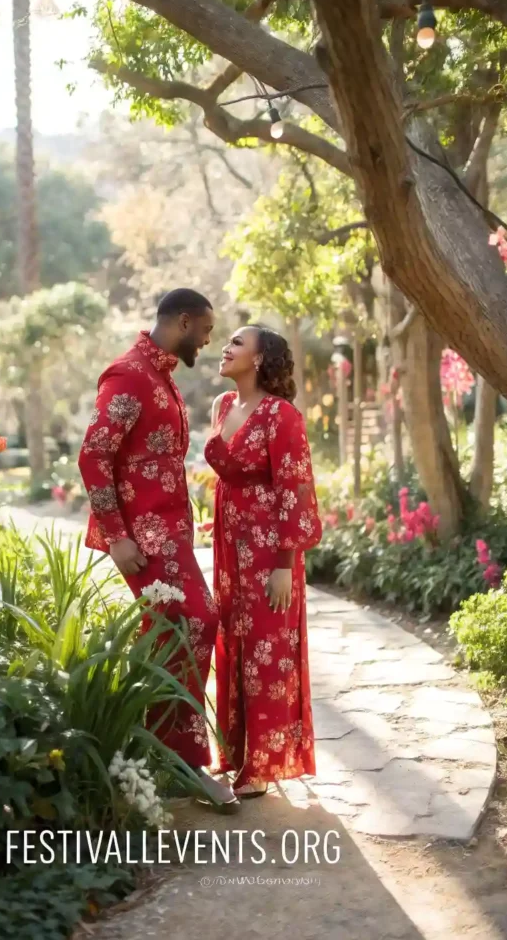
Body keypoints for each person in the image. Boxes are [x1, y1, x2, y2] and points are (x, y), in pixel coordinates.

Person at [78, 289, 238, 809]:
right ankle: (181, 762)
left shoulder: (161, 376)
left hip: (169, 534)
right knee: (194, 619)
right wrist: (118, 536)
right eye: (207, 329)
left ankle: (162, 760)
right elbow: (93, 456)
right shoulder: (128, 375)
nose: (211, 339)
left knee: (175, 629)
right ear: (184, 321)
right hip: (143, 540)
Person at [204, 325, 322, 798]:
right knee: (234, 642)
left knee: (268, 651)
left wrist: (283, 563)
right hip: (231, 546)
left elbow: (295, 487)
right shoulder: (224, 407)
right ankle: (234, 753)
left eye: (236, 343)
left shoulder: (281, 415)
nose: (226, 348)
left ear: (258, 359)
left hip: (269, 547)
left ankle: (265, 765)